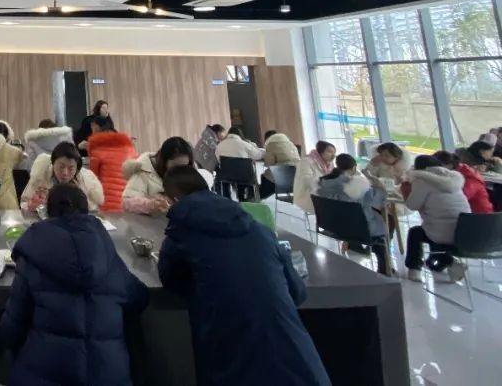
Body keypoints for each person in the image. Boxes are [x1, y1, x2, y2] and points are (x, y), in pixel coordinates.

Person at [158, 166, 331, 386]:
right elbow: (297, 292)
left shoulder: (180, 233)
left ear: (173, 199)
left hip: (230, 353)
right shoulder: (260, 229)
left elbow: (171, 280)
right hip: (295, 357)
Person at [0, 183, 148, 385]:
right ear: (86, 211)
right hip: (108, 375)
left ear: (48, 212)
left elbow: (12, 327)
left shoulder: (34, 252)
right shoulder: (106, 255)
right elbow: (139, 298)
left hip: (42, 371)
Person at [316, 154, 390, 274]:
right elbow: (380, 200)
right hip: (358, 230)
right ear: (354, 168)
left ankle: (354, 245)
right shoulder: (360, 185)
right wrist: (376, 183)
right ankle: (384, 269)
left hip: (332, 227)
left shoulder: (323, 183)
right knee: (379, 231)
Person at [403, 154, 471, 282]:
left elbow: (412, 205)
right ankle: (450, 263)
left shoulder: (422, 181)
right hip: (465, 232)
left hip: (442, 233)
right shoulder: (454, 179)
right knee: (433, 231)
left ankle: (414, 269)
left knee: (416, 233)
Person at [122, 136, 210, 215]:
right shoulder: (144, 170)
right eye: (175, 167)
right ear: (163, 162)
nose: (180, 172)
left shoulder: (191, 170)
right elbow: (127, 201)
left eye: (184, 167)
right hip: (152, 224)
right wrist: (152, 204)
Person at [21, 141, 104, 212]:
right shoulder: (40, 177)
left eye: (71, 168)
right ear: (53, 163)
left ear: (77, 169)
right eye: (61, 166)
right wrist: (31, 206)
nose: (65, 173)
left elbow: (92, 210)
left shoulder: (84, 182)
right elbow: (23, 204)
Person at [85, 116, 135, 212]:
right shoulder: (129, 148)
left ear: (97, 128)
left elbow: (92, 179)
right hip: (129, 202)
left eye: (92, 127)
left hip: (107, 202)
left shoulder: (97, 150)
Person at [434, 150, 492, 214]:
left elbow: (460, 197)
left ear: (449, 165)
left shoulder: (470, 177)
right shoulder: (458, 173)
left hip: (480, 217)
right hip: (464, 213)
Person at [293, 141, 337, 213]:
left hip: (322, 197)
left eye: (334, 153)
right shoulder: (306, 161)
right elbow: (306, 180)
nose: (333, 155)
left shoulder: (329, 164)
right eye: (330, 152)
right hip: (307, 198)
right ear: (321, 152)